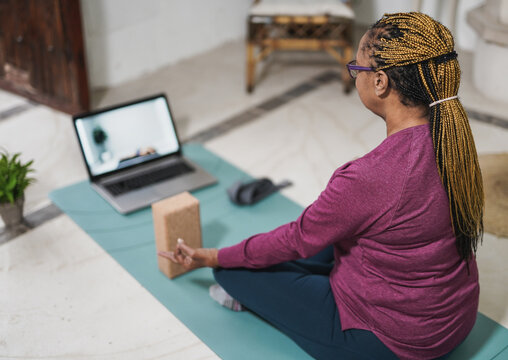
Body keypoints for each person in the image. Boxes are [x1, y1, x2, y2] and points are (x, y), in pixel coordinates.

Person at [158, 12, 483, 360]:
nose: (353, 74)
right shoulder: (454, 141)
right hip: (454, 323)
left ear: (380, 83)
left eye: (355, 69)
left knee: (232, 271)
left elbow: (296, 239)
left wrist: (211, 256)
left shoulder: (368, 177)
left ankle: (254, 298)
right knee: (330, 238)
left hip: (390, 342)